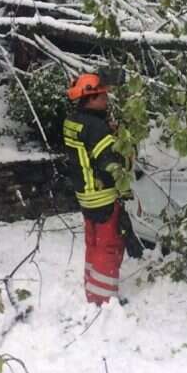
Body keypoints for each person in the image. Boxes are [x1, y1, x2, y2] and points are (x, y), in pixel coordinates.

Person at [63, 73, 133, 305]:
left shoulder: (73, 121)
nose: (106, 99)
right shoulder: (96, 128)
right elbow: (110, 163)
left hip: (85, 194)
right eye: (102, 96)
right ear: (90, 99)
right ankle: (102, 299)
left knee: (93, 243)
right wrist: (124, 147)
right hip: (102, 194)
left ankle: (92, 288)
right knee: (108, 246)